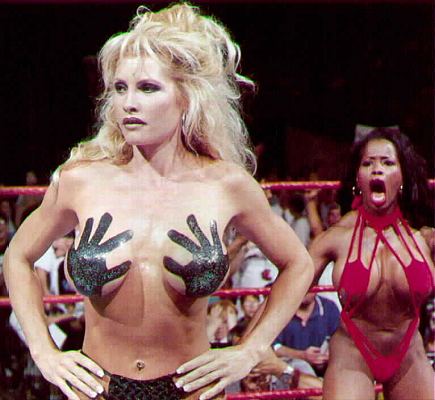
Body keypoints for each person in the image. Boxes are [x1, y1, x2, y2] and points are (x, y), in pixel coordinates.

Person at [4, 4, 313, 400]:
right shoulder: (81, 180)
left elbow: (298, 264)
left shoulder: (226, 185)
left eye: (148, 88)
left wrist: (250, 350)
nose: (128, 103)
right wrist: (44, 351)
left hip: (189, 389)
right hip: (97, 388)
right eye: (120, 88)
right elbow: (18, 256)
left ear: (187, 98)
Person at [309, 127, 434, 399]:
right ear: (358, 178)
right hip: (353, 351)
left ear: (402, 176)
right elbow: (289, 287)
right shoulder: (337, 238)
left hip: (408, 351)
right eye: (368, 163)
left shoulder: (423, 239)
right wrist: (251, 345)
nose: (377, 169)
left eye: (387, 162)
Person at [273, 292, 340, 377]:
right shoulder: (279, 309)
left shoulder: (329, 307)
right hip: (290, 367)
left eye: (309, 286)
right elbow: (273, 348)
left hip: (327, 366)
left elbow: (340, 340)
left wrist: (329, 355)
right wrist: (302, 355)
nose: (305, 290)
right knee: (302, 367)